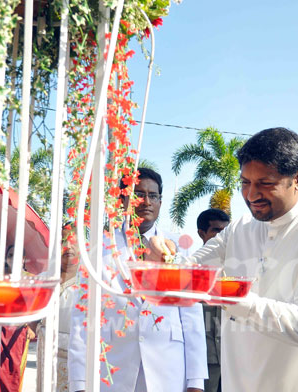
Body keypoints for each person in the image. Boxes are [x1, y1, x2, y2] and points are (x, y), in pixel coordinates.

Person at [161, 128, 298, 391]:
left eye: (265, 183)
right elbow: (189, 268)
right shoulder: (239, 229)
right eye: (245, 183)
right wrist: (165, 253)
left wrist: (233, 298)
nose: (251, 195)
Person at [68, 167, 207, 392]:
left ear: (160, 202)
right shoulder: (98, 248)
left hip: (169, 372)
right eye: (139, 194)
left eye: (153, 196)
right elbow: (81, 317)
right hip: (113, 372)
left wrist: (196, 382)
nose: (146, 202)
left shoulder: (179, 248)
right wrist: (79, 382)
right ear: (123, 199)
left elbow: (192, 316)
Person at [37, 223, 80, 392]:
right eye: (63, 241)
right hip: (46, 355)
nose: (68, 246)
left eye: (72, 241)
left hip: (76, 358)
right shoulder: (44, 279)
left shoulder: (89, 282)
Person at [0, 245, 35, 392]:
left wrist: (32, 326)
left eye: (17, 255)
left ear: (24, 259)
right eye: (10, 255)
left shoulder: (31, 280)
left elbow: (36, 307)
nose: (13, 259)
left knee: (13, 372)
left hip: (19, 332)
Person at [196, 209, 229, 392]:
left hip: (231, 358)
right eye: (216, 231)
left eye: (226, 230)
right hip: (203, 360)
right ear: (202, 233)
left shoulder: (235, 268)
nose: (222, 236)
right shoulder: (191, 270)